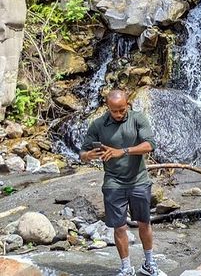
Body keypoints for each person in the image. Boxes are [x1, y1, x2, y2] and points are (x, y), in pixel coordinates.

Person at [80, 90, 162, 276]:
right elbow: (83, 153)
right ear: (107, 107)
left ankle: (149, 264)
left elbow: (149, 144)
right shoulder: (98, 124)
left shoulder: (137, 118)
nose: (118, 114)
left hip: (139, 180)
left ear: (128, 104)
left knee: (144, 223)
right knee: (119, 227)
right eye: (114, 111)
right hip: (113, 182)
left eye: (122, 110)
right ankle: (126, 268)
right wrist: (88, 155)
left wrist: (122, 151)